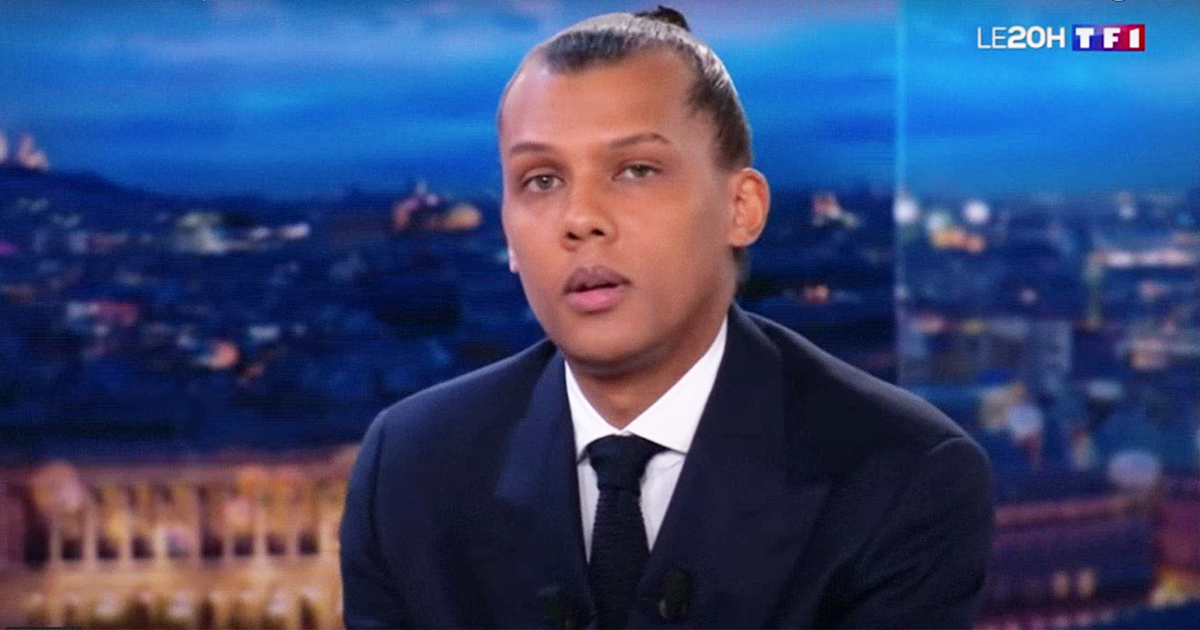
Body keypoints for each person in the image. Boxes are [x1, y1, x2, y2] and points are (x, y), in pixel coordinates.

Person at [340, 6, 995, 630]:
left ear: (741, 209)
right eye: (542, 180)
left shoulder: (902, 474)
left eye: (635, 170)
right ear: (508, 235)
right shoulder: (410, 467)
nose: (580, 219)